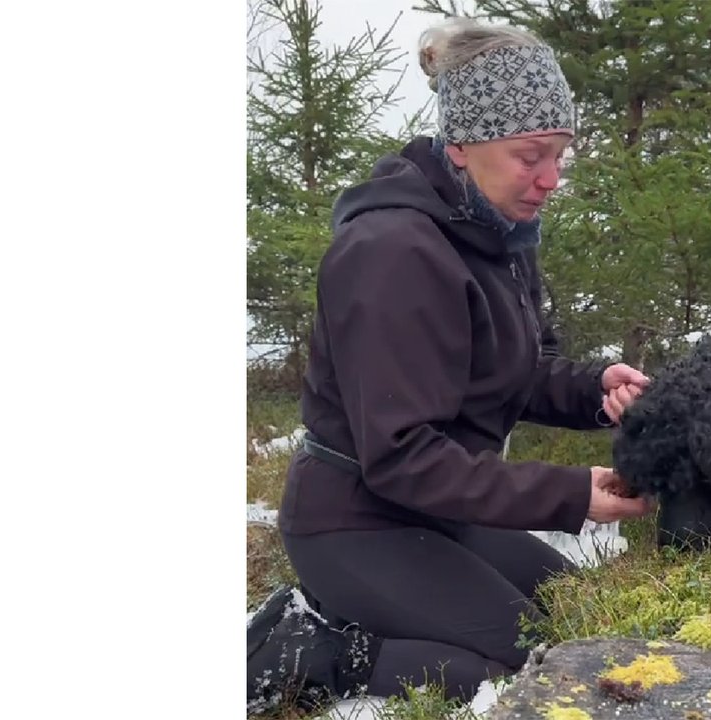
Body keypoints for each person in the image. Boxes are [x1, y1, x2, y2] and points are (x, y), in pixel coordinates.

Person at [246, 17, 654, 714]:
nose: (550, 179)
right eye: (532, 155)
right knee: (523, 661)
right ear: (463, 145)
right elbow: (401, 458)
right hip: (354, 522)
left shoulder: (497, 231)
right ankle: (305, 647)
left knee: (584, 620)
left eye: (561, 155)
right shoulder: (392, 255)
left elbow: (520, 369)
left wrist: (596, 388)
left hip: (441, 510)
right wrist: (569, 496)